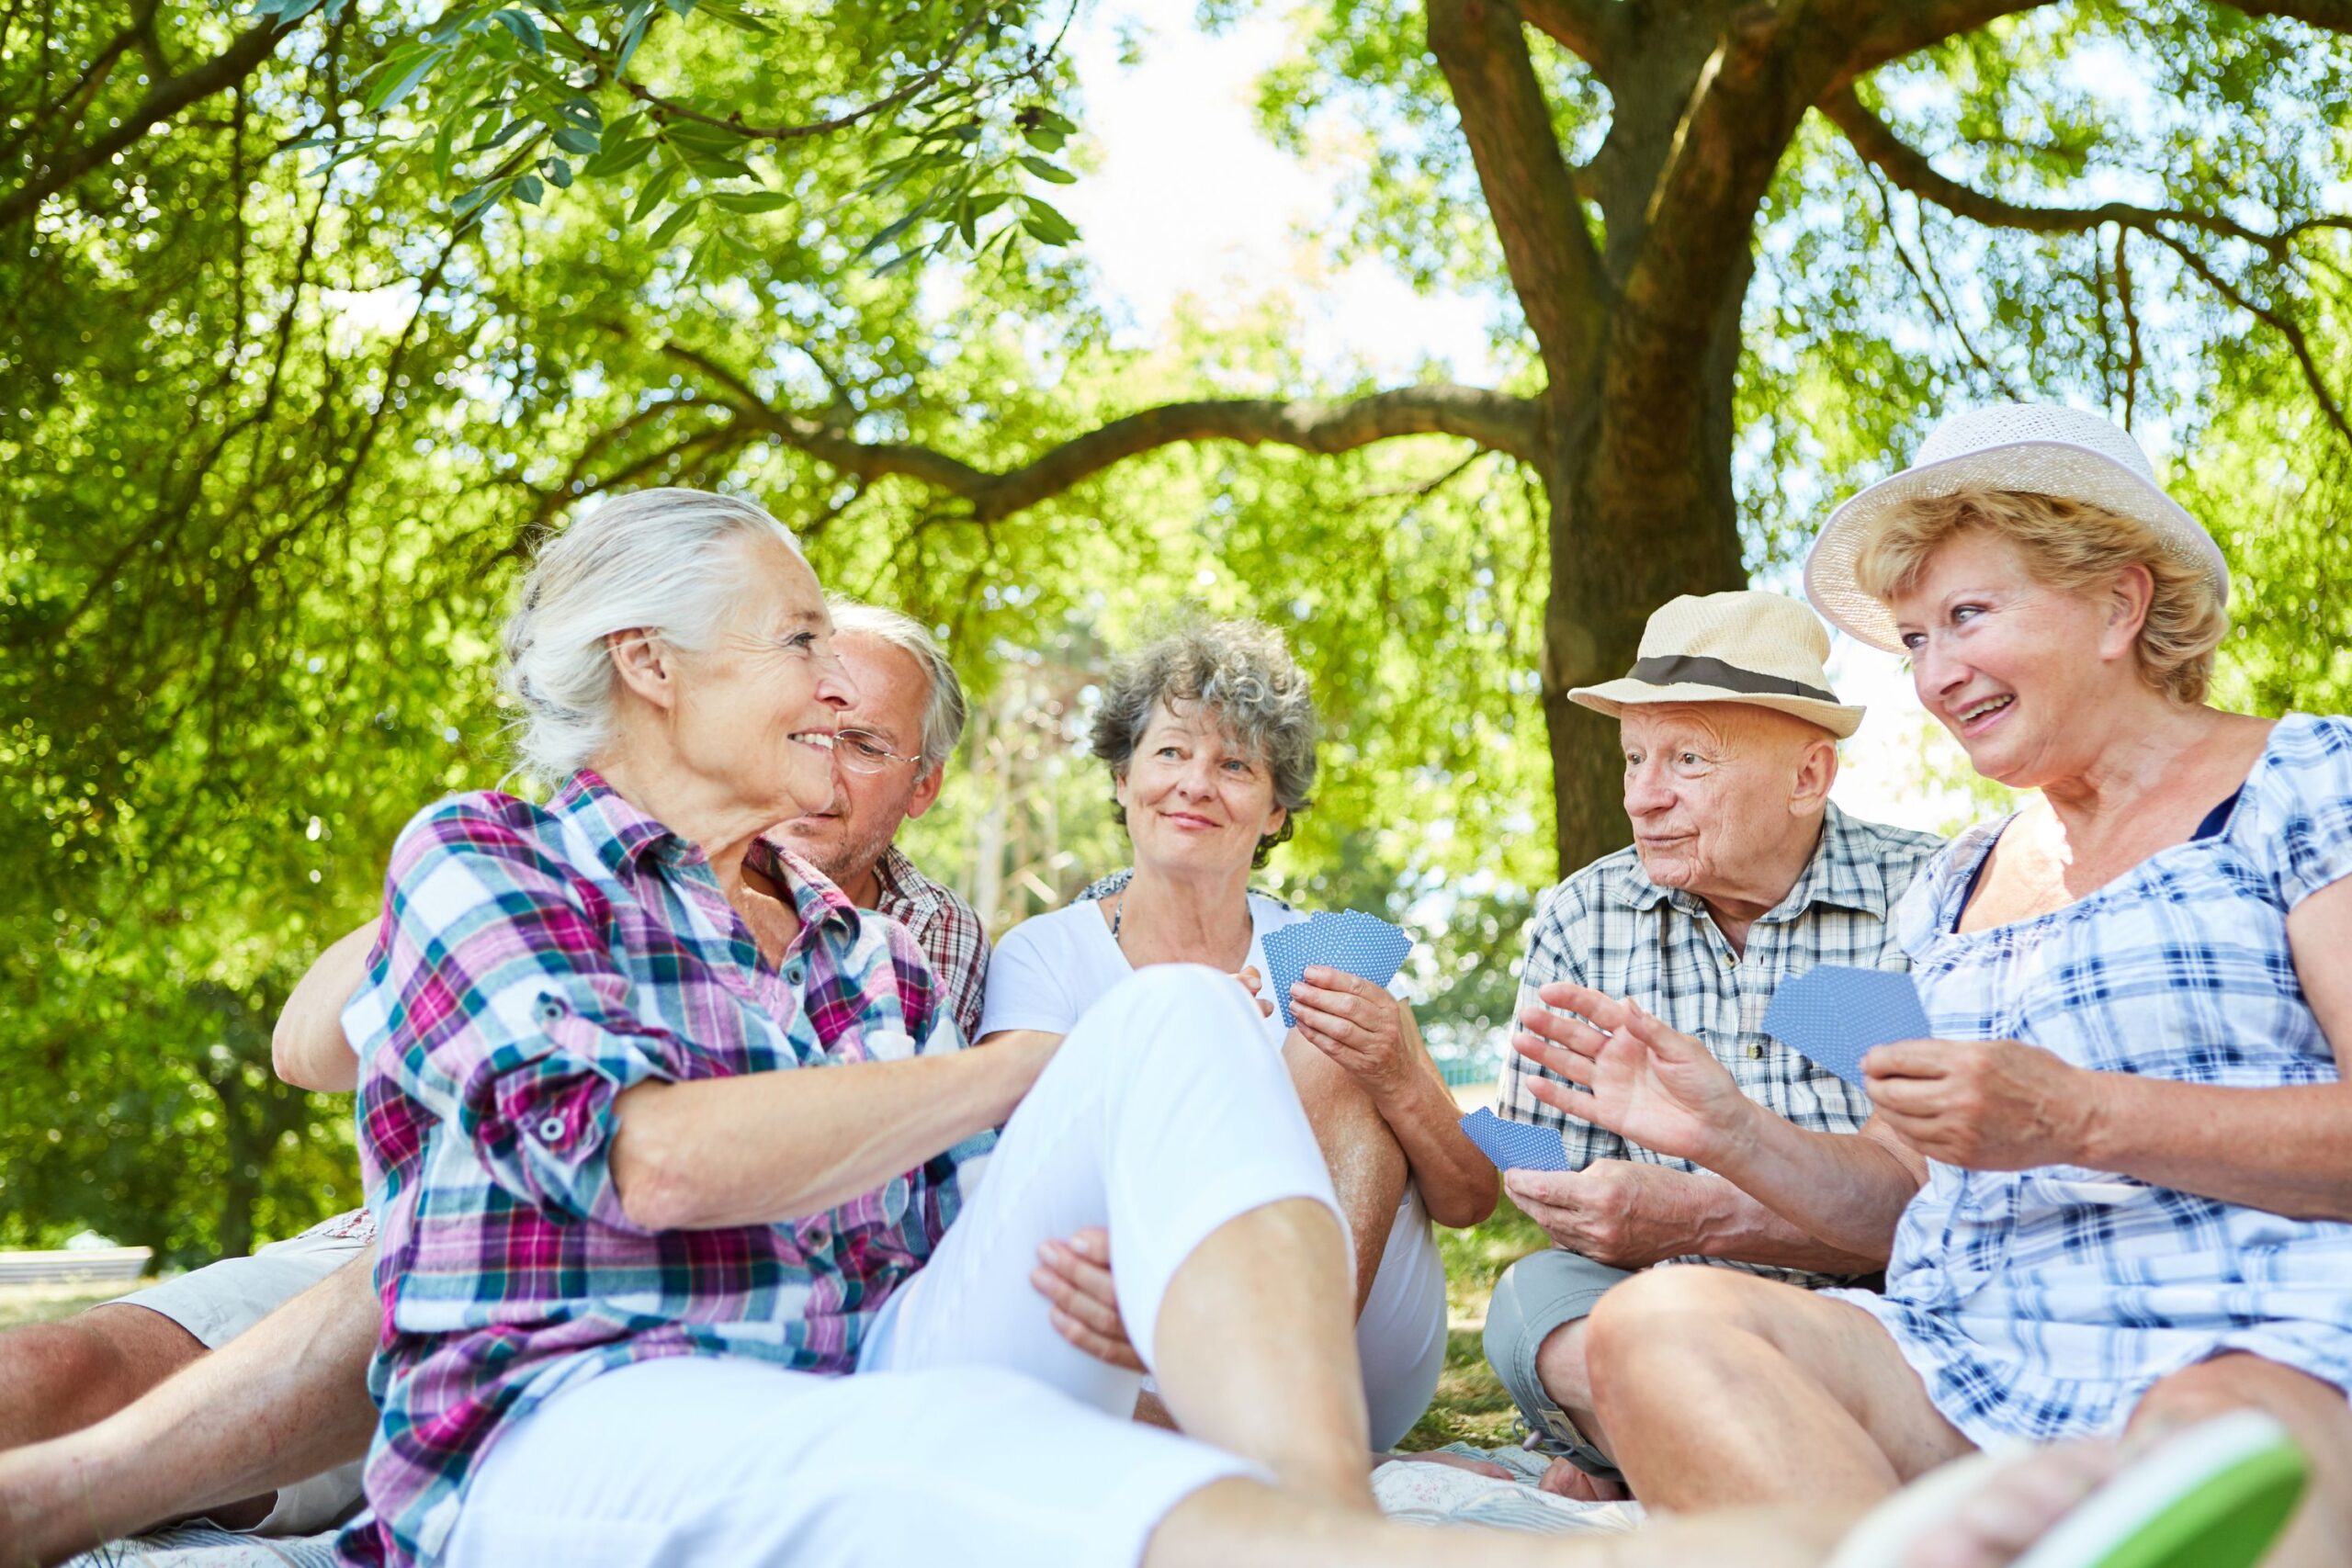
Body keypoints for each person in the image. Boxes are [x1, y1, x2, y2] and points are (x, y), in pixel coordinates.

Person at [0, 592, 992, 1558]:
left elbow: (854, 1183)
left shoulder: (906, 945)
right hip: (403, 1249)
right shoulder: (551, 854)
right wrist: (503, 906)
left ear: (921, 786)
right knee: (52, 1375)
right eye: (810, 704)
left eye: (867, 743)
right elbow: (305, 1048)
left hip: (672, 1309)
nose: (827, 741)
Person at [1525, 405, 2352, 1563]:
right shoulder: (1958, 881)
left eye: (1967, 616)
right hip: (1964, 1352)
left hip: (2247, 1331)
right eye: (1914, 639)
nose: (1937, 674)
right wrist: (1725, 1129)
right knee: (1656, 1324)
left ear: (2119, 603)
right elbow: (1902, 1196)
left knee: (2220, 1446)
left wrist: (2079, 1115)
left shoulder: (2308, 784)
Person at [978, 621, 1497, 1449]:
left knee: (1331, 1036)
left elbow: (1473, 1199)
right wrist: (1180, 1035)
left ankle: (1272, 1414)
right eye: (1172, 753)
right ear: (1121, 778)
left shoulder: (1322, 949)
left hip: (1346, 1363)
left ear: (1276, 807)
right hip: (1134, 1338)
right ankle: (1242, 1431)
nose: (1196, 784)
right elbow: (1025, 1176)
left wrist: (1398, 1072)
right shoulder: (1045, 952)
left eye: (1235, 765)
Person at [1481, 591, 1941, 1496]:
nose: (1644, 797)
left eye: (1687, 760)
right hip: (1653, 1297)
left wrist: (1695, 1209)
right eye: (1633, 760)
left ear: (1808, 776)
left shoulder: (1926, 895)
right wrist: (1558, 1187)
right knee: (1530, 1307)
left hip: (1884, 1309)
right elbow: (1528, 1146)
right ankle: (1803, 1463)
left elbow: (1932, 1207)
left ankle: (1679, 1460)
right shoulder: (1583, 912)